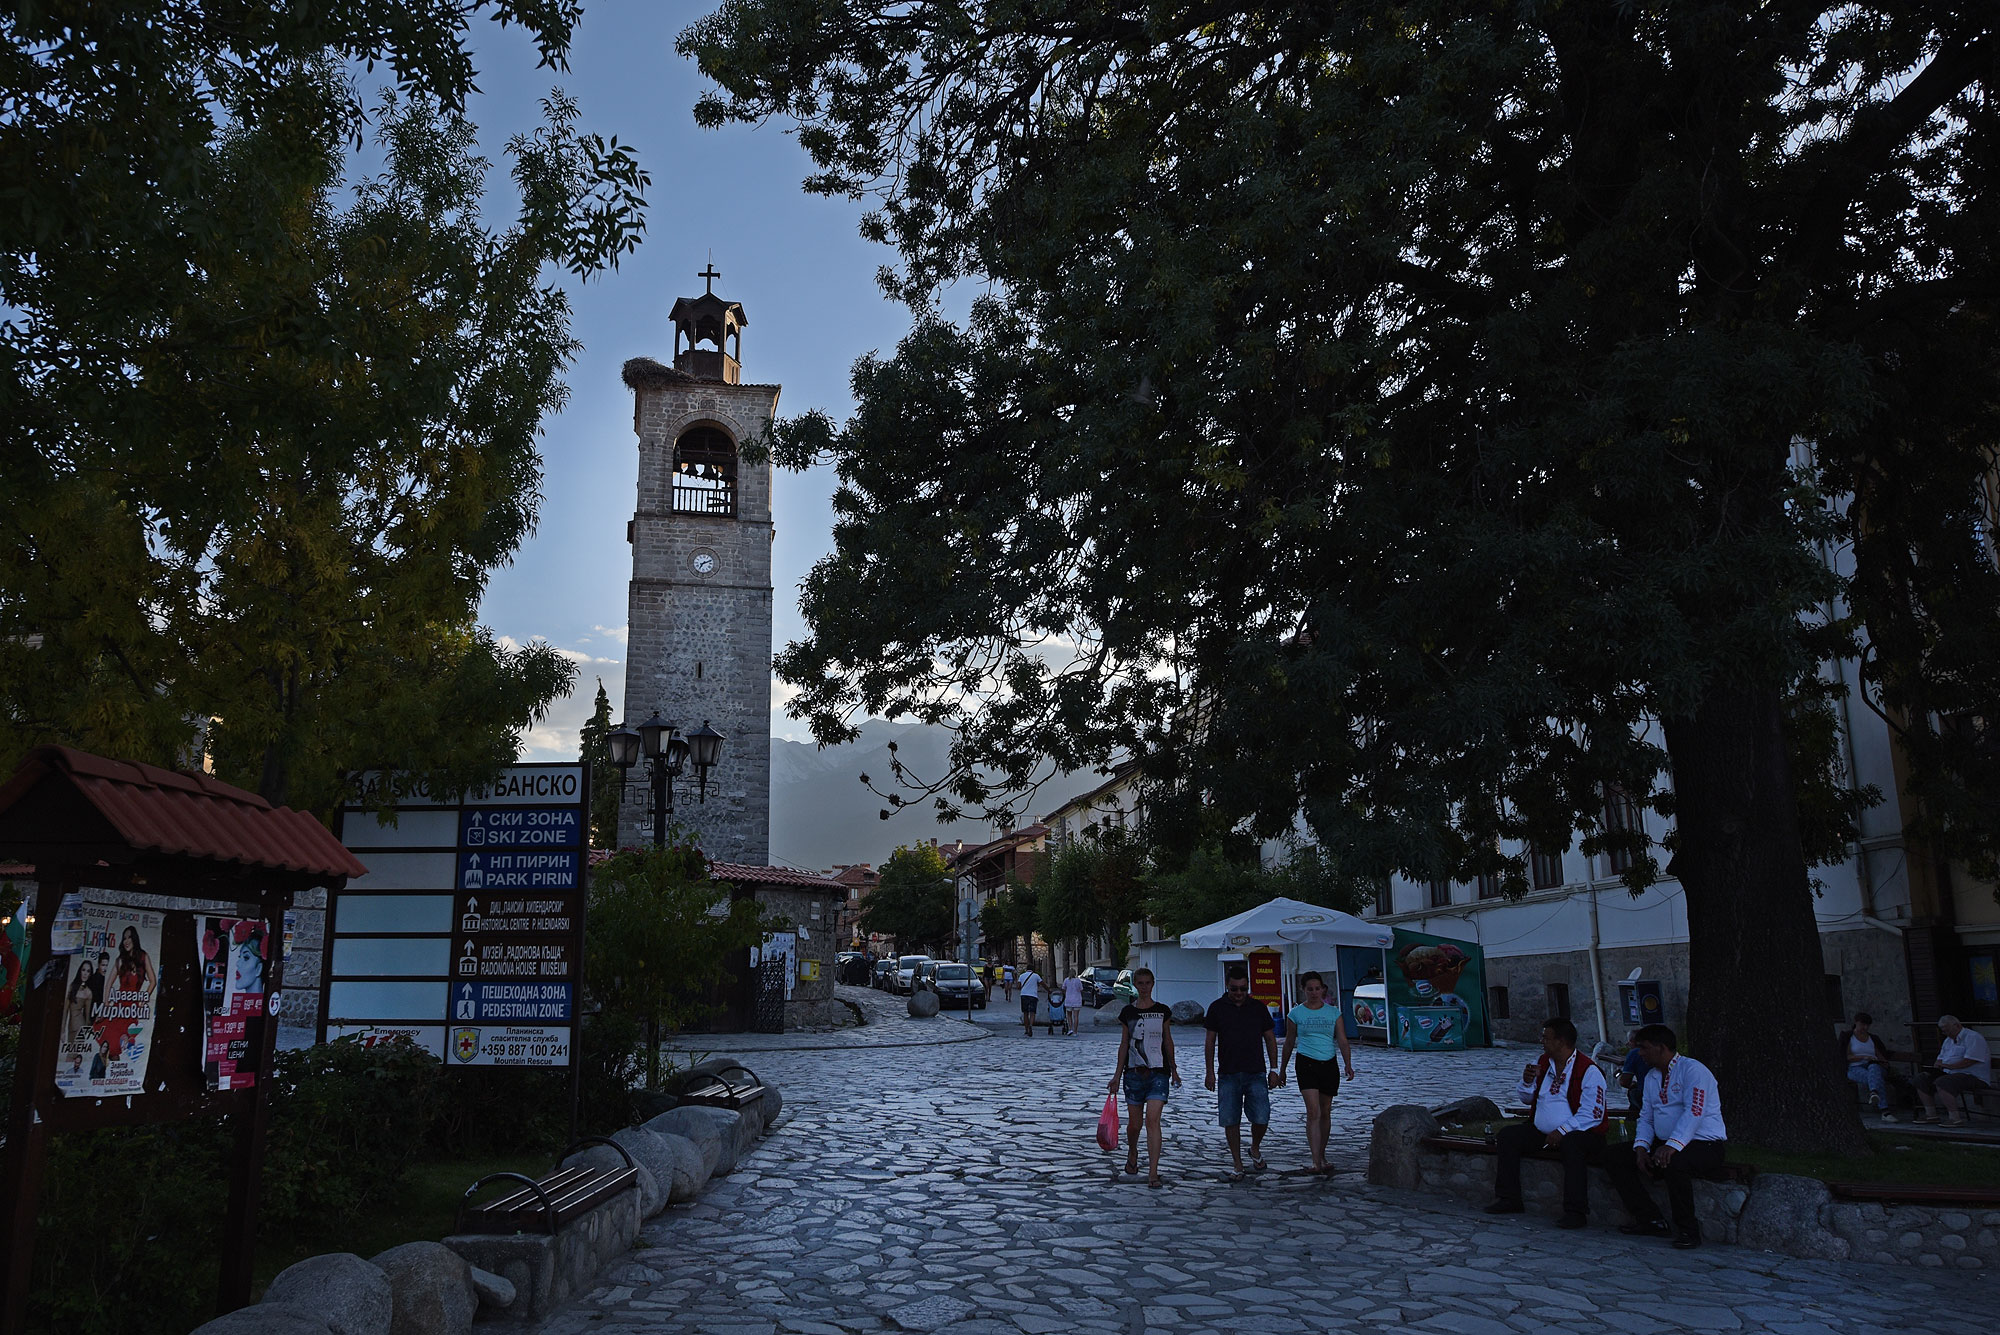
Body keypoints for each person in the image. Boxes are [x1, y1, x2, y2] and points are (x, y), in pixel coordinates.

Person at [1603, 1022, 1728, 1248]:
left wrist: (1672, 1146)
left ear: (1661, 1047)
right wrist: (1641, 1147)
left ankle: (1688, 1230)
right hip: (1666, 1142)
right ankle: (1650, 1218)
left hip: (1704, 1144)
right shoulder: (1651, 1077)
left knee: (1675, 1162)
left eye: (1644, 1047)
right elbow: (1647, 1116)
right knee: (1614, 1156)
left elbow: (1694, 1111)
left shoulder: (1694, 1071)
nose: (1639, 1053)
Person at [1484, 1016, 1608, 1228]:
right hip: (1542, 1129)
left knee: (1572, 1146)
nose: (1541, 1041)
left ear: (1561, 1041)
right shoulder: (1542, 1063)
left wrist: (1563, 1130)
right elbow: (1526, 1098)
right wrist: (1527, 1081)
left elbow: (1592, 1113)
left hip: (1583, 1133)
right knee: (1508, 1137)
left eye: (1546, 1037)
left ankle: (1576, 1211)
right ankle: (1509, 1198)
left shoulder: (1588, 1070)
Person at [1204, 964, 1279, 1180]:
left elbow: (1270, 1038)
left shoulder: (1258, 1008)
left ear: (1248, 988)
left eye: (1243, 989)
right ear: (1227, 987)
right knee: (1230, 1119)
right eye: (1234, 989)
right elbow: (1210, 1041)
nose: (1238, 994)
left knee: (1262, 1116)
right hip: (1228, 1072)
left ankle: (1254, 1147)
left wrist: (1274, 1069)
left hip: (1255, 1071)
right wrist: (1210, 1072)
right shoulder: (1217, 1008)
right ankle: (1238, 1163)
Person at [1277, 971, 1355, 1175]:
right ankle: (1314, 1161)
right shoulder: (1295, 1014)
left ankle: (1322, 1154)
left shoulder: (1333, 1013)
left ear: (1323, 989)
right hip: (1306, 1062)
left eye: (1317, 988)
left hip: (1328, 1062)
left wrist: (1348, 1063)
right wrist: (1282, 1069)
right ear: (1303, 990)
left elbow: (1342, 1040)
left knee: (1326, 1110)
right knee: (1313, 1111)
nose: (1313, 992)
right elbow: (1289, 1042)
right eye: (1309, 989)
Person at [1108, 966, 1179, 1187]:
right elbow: (1124, 1044)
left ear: (1153, 984)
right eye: (1140, 983)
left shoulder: (1163, 1011)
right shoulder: (1128, 1013)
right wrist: (1116, 1076)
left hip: (1159, 1072)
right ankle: (1132, 1151)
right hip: (1134, 1074)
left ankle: (1153, 1173)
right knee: (1135, 1124)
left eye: (1148, 983)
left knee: (1153, 1120)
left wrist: (1174, 1068)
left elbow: (1167, 1040)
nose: (1144, 987)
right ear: (1135, 985)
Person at [1914, 1014, 1992, 1126]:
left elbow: (1970, 1061)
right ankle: (1931, 1115)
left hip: (1972, 1075)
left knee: (1943, 1082)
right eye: (1943, 1031)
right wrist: (1938, 1066)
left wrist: (1950, 1066)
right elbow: (1939, 1060)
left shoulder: (1973, 1037)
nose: (1945, 1034)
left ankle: (1954, 1118)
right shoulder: (1948, 1041)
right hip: (1950, 1073)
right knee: (1922, 1079)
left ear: (1957, 1025)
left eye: (1947, 1030)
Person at [1838, 1011, 1908, 1119]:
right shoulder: (1848, 1037)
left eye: (1867, 1025)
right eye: (1863, 1024)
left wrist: (1885, 1064)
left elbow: (1880, 1054)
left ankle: (1874, 1092)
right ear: (1856, 1022)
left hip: (1874, 1066)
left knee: (1874, 1068)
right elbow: (1845, 1056)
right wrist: (1864, 1057)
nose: (1865, 1027)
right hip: (1854, 1067)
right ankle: (1885, 1111)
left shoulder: (1873, 1038)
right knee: (1876, 1079)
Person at [1617, 1029, 1648, 1115]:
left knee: (1632, 1092)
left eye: (1629, 1041)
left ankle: (1632, 1118)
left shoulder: (1634, 1053)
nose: (1627, 1044)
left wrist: (1632, 1084)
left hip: (1644, 1094)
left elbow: (1624, 1082)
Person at [1018, 964, 1042, 1036]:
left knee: (1025, 1013)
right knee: (1032, 1012)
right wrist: (1049, 991)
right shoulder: (1036, 976)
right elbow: (1042, 983)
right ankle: (1031, 1025)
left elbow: (1018, 986)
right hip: (1033, 995)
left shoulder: (1021, 976)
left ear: (1026, 969)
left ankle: (1026, 1029)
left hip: (1024, 995)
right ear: (1033, 969)